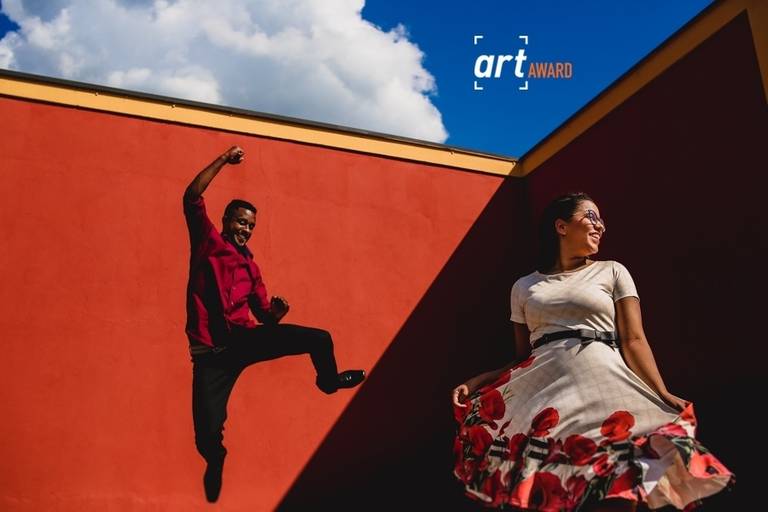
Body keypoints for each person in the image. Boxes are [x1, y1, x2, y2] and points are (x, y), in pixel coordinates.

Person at [451, 192, 733, 511]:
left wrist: (661, 392)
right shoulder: (524, 286)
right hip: (548, 398)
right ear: (561, 226)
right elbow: (522, 357)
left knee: (624, 478)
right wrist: (480, 381)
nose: (600, 225)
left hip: (607, 389)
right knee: (557, 486)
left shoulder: (612, 271)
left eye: (601, 219)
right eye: (591, 216)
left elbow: (633, 339)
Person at [184, 146, 365, 503]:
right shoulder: (207, 243)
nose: (245, 230)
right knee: (206, 434)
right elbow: (192, 196)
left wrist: (276, 314)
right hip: (210, 354)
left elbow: (264, 316)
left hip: (244, 340)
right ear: (225, 220)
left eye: (251, 226)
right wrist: (222, 159)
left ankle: (329, 382)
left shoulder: (252, 269)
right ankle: (216, 457)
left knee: (319, 338)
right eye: (240, 223)